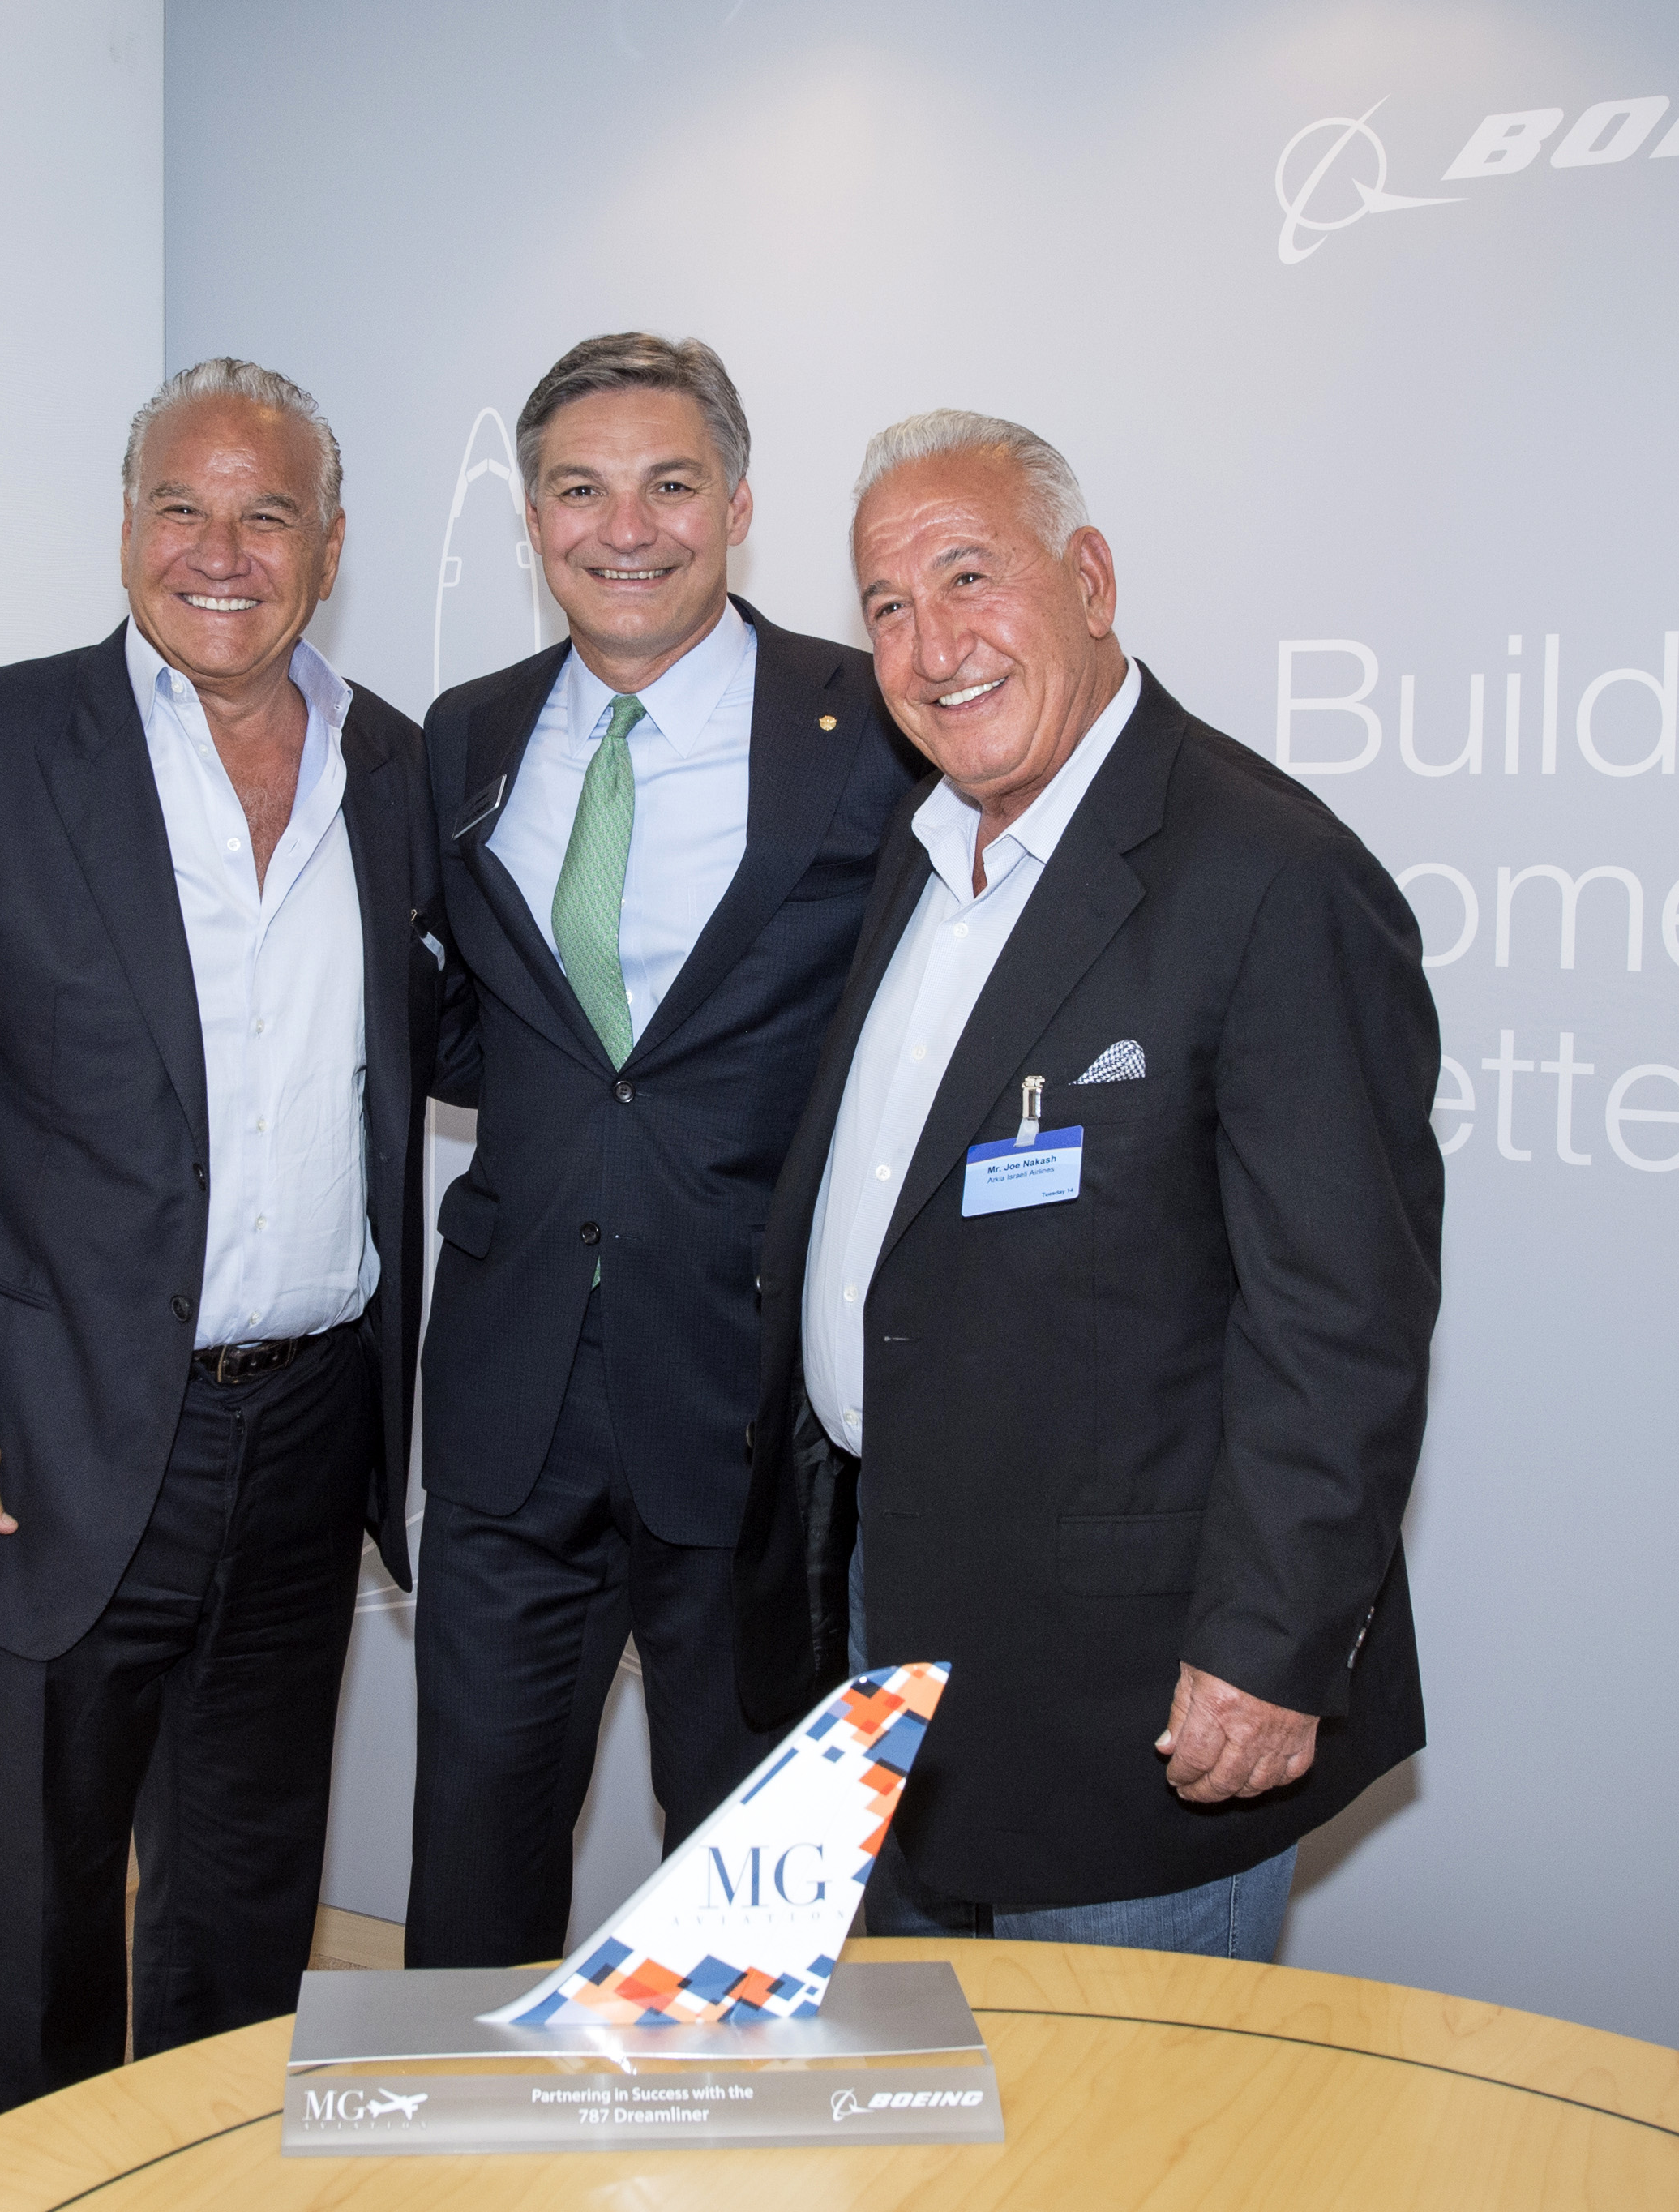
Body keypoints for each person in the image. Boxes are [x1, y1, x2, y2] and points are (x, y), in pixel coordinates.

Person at [0, 360, 439, 2125]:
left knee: (246, 1911)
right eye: (182, 507)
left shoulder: (395, 764)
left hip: (304, 1433)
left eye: (266, 515)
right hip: (33, 1437)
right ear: (125, 526)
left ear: (330, 545)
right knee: (31, 1928)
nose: (219, 552)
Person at [733, 410, 1445, 1958]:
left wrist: (1269, 1650)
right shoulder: (929, 851)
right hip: (905, 1622)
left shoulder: (1271, 878)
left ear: (1092, 580)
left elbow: (1343, 1320)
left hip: (1141, 1691)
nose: (933, 647)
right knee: (933, 2086)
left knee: (1128, 2101)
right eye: (889, 607)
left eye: (968, 576)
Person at [407, 334, 917, 1968]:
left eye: (670, 484)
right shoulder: (464, 733)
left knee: (752, 1913)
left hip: (753, 1408)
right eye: (580, 489)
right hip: (510, 1401)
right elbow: (466, 1025)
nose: (625, 528)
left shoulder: (872, 725)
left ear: (739, 505)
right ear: (533, 519)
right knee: (470, 1879)